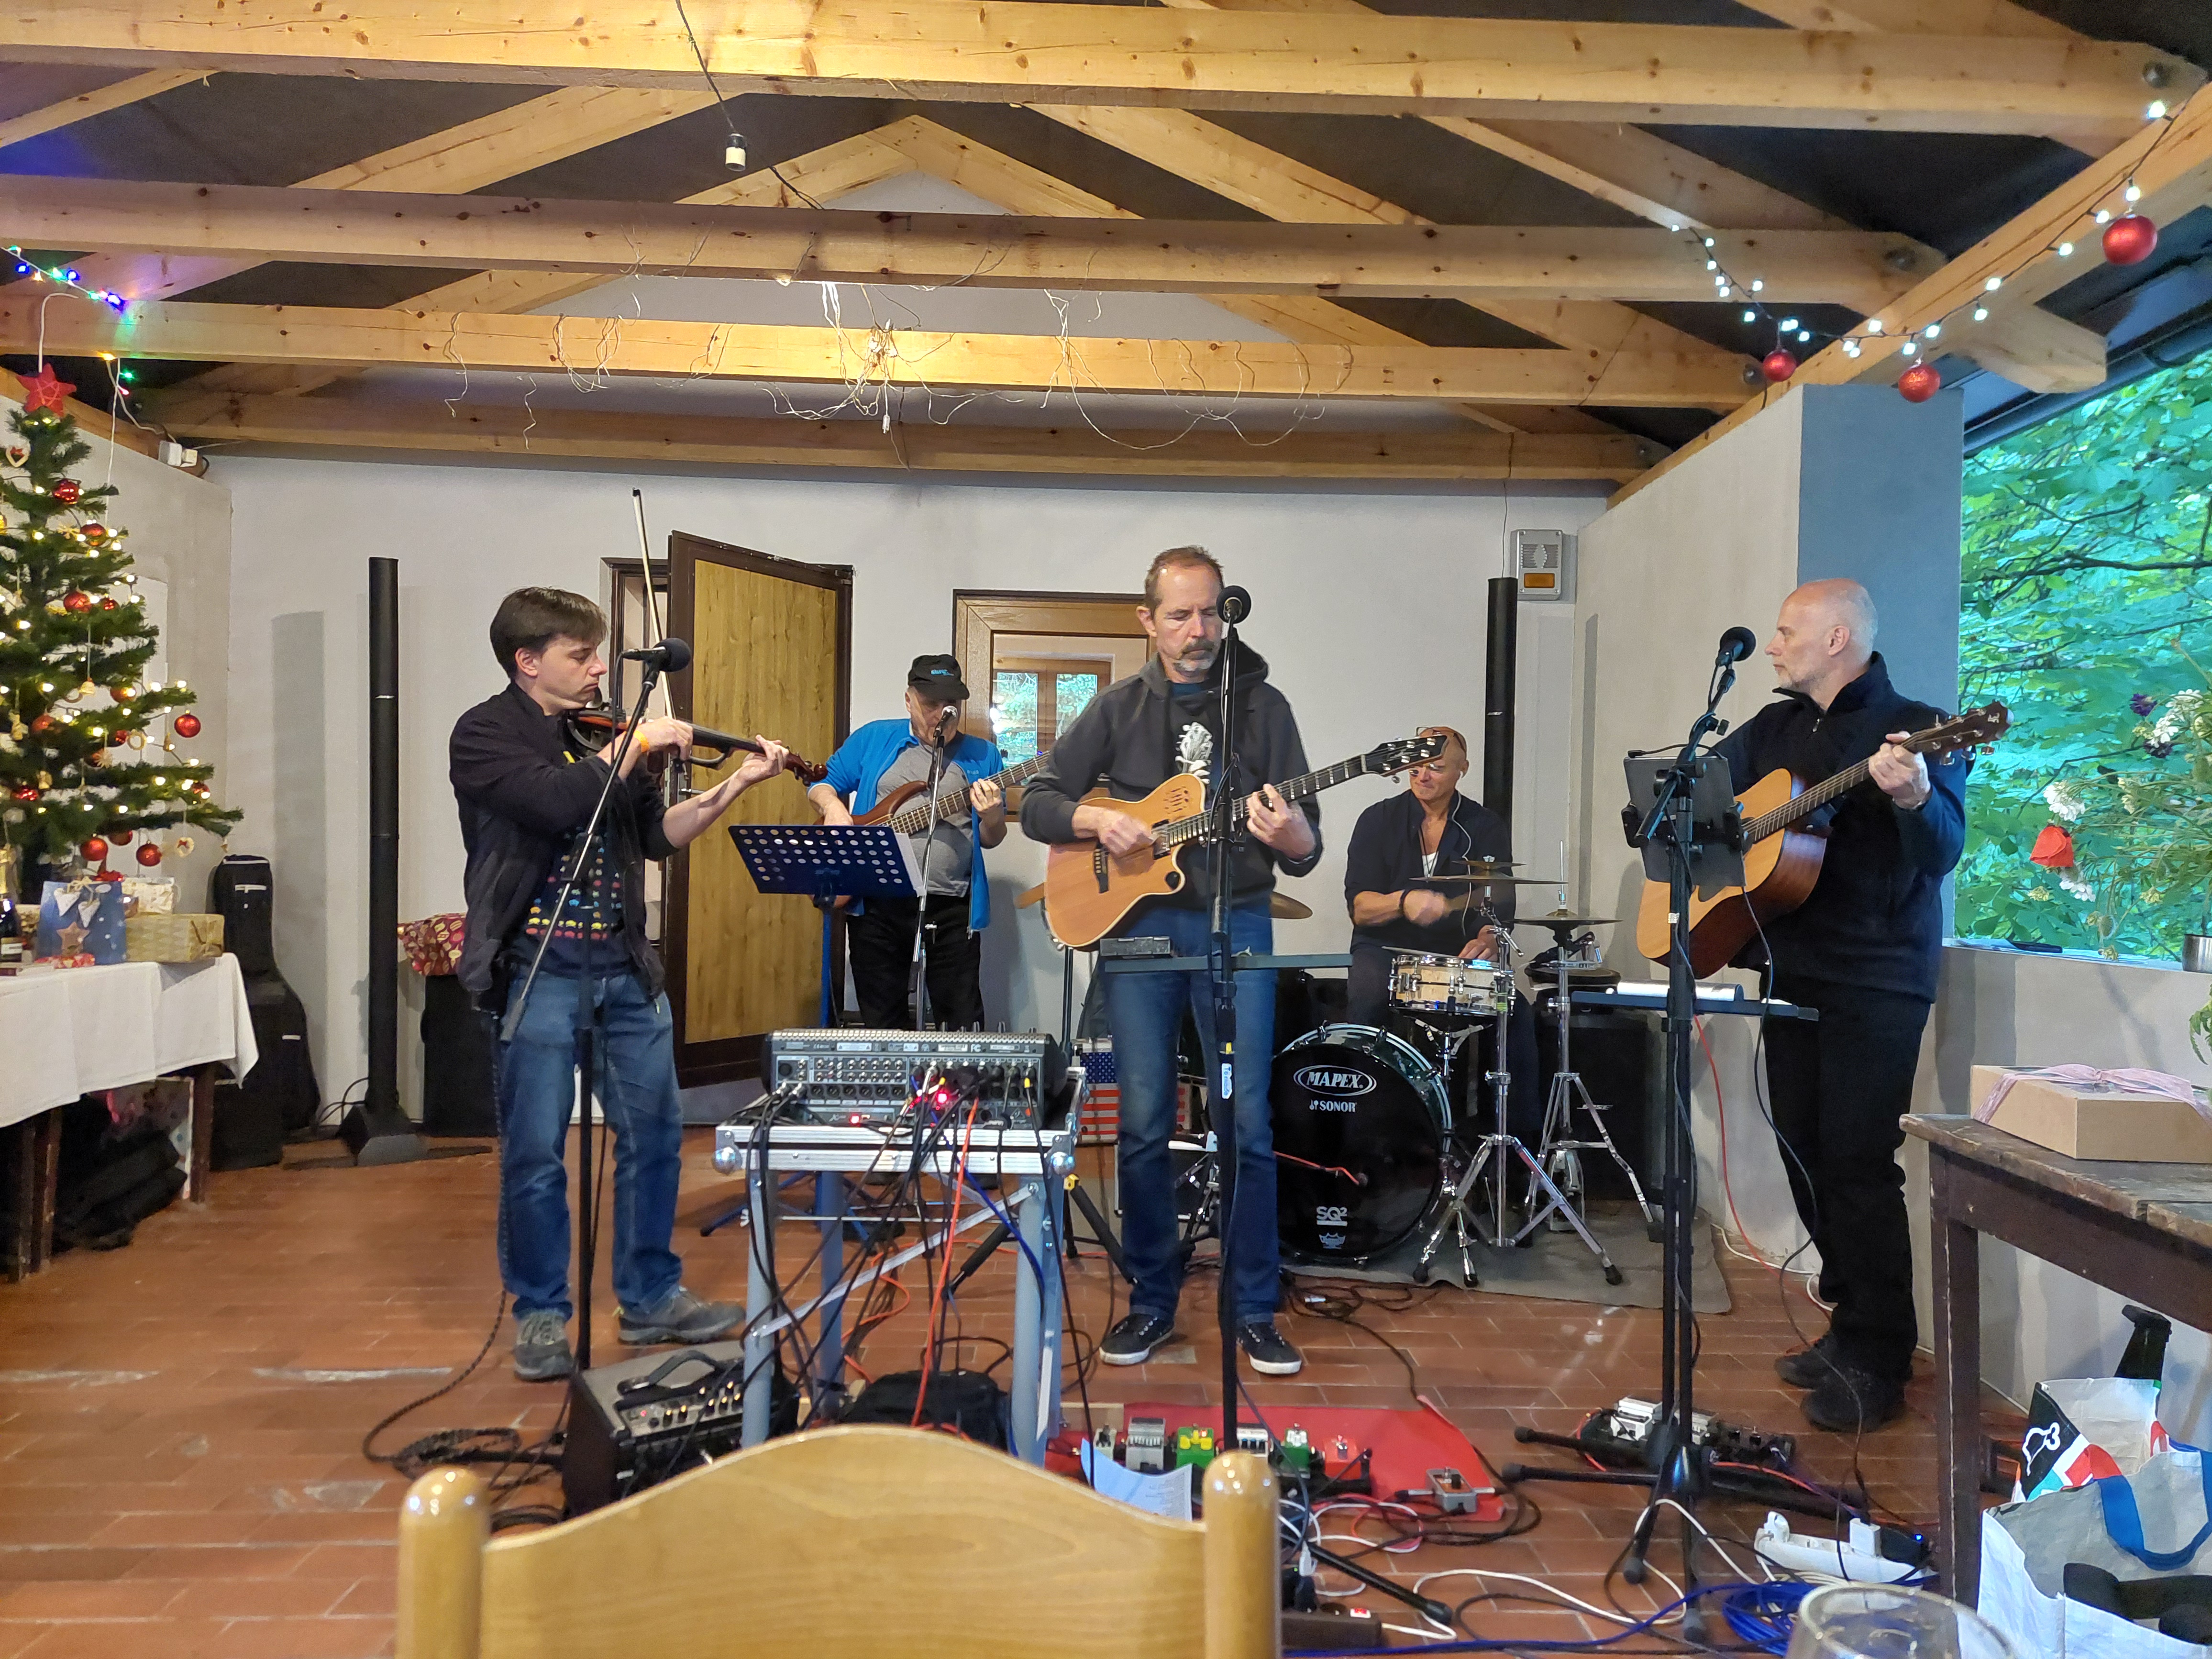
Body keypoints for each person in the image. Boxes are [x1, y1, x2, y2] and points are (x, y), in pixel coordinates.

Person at [452, 587, 790, 1382]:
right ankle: (541, 1312)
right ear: (527, 661)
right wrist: (632, 746)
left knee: (654, 1138)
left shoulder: (605, 736)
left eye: (598, 653)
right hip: (536, 970)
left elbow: (655, 838)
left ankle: (650, 1296)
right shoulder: (486, 734)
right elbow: (551, 802)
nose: (599, 667)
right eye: (580, 655)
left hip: (624, 970)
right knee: (536, 1153)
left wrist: (733, 787)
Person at [1021, 546, 1320, 1376]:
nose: (1198, 630)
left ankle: (1253, 1307)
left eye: (1210, 612)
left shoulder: (1264, 707)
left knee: (1246, 1120)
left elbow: (1306, 844)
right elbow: (1039, 801)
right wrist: (1096, 820)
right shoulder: (1117, 708)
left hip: (1238, 926)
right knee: (1145, 1120)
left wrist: (1296, 836)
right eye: (1180, 614)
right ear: (1147, 621)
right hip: (1139, 934)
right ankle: (1151, 1299)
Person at [1714, 578, 1969, 1433]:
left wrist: (1913, 794)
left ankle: (1879, 1354)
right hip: (1792, 968)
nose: (1773, 645)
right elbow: (1707, 802)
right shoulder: (1772, 730)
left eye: (1786, 631)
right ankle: (1848, 1315)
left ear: (1836, 639)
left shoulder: (1920, 725)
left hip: (1879, 972)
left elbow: (1941, 852)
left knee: (1858, 1164)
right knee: (1802, 1151)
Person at [1341, 725, 1541, 1145]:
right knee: (1369, 992)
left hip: (1454, 954)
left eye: (1435, 767)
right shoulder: (1377, 819)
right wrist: (1403, 901)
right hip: (1385, 948)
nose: (1423, 775)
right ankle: (1362, 1123)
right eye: (1415, 766)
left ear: (1462, 769)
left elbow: (1498, 904)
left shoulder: (1484, 826)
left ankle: (1512, 1144)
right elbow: (1360, 907)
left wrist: (1488, 939)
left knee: (1514, 1011)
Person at [809, 654, 1006, 1030]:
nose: (942, 716)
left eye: (951, 705)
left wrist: (994, 816)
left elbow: (991, 838)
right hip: (877, 902)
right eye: (931, 705)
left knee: (960, 1019)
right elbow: (821, 783)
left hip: (951, 905)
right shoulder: (875, 738)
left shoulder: (984, 755)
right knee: (882, 1018)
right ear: (909, 700)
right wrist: (833, 807)